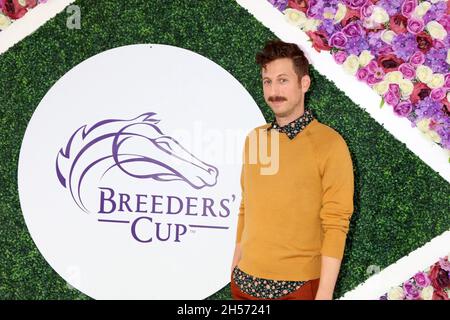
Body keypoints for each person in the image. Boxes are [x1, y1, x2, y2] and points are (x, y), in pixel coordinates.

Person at [230, 39, 355, 300]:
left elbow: (336, 224)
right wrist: (234, 268)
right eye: (267, 81)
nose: (274, 90)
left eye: (283, 80)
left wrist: (323, 295)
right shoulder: (254, 138)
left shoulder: (330, 144)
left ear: (304, 83)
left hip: (297, 290)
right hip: (244, 286)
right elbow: (246, 208)